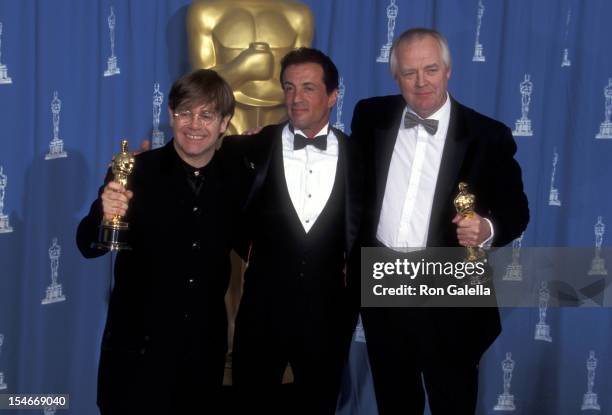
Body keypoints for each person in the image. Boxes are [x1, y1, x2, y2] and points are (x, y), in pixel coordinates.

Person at [351, 28, 529, 414]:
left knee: (453, 401)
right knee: (395, 402)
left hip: (451, 296)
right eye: (410, 72)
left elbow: (517, 211)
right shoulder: (370, 116)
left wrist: (487, 228)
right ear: (395, 76)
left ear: (448, 70)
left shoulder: (487, 135)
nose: (421, 82)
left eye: (430, 69)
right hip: (383, 286)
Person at [76, 69, 245, 414]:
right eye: (185, 112)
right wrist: (100, 214)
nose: (194, 124)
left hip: (203, 360)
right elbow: (87, 245)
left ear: (224, 123)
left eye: (207, 114)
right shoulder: (136, 172)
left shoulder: (239, 176)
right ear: (170, 116)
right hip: (137, 359)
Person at [225, 47, 361, 415]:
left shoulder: (361, 158)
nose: (296, 98)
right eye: (289, 87)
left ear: (333, 96)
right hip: (261, 314)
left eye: (308, 88)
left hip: (328, 318)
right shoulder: (249, 148)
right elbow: (202, 179)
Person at [187, 0, 314, 134]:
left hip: (281, 125)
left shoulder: (299, 16)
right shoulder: (205, 13)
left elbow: (301, 85)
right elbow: (200, 89)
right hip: (225, 124)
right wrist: (242, 69)